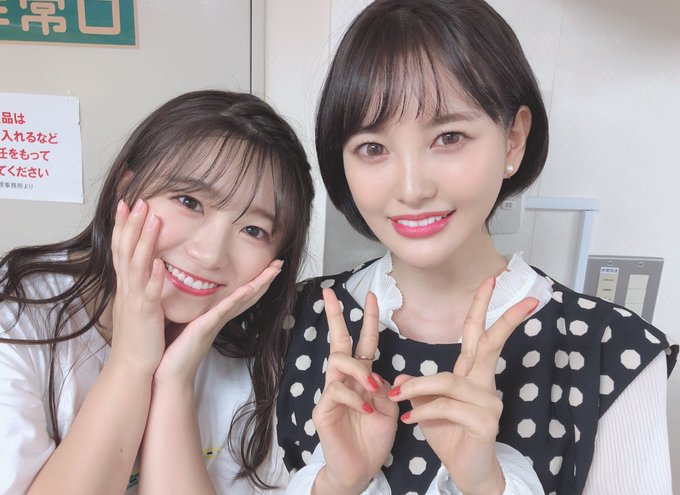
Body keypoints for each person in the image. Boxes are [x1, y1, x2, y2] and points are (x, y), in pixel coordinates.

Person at [277, 1, 678, 494]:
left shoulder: (611, 352)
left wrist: (486, 483)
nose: (412, 188)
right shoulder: (293, 320)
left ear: (513, 140)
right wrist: (337, 484)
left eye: (449, 137)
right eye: (373, 148)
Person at [0, 90, 314, 494]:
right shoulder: (17, 318)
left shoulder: (264, 361)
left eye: (254, 230)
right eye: (189, 201)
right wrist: (131, 361)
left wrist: (174, 381)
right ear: (127, 188)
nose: (210, 254)